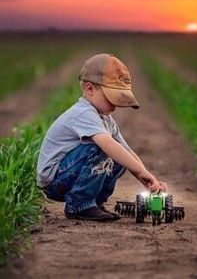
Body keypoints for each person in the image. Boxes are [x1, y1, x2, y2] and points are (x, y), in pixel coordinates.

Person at [37, 53, 167, 222]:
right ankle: (79, 205)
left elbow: (126, 151)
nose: (116, 104)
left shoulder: (106, 120)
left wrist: (146, 177)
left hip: (70, 173)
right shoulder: (83, 113)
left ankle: (95, 203)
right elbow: (109, 145)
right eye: (111, 97)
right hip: (55, 180)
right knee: (104, 148)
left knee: (121, 156)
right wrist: (140, 170)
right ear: (90, 89)